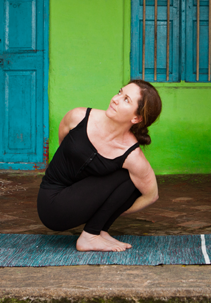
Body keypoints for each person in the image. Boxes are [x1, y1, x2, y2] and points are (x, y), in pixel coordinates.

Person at [37, 79, 162, 252]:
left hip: (80, 200)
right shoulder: (78, 117)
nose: (115, 99)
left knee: (130, 179)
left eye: (126, 99)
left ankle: (95, 232)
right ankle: (93, 233)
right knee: (125, 174)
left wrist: (108, 211)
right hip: (52, 203)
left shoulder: (132, 155)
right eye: (119, 92)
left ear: (137, 118)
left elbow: (151, 195)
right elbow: (62, 145)